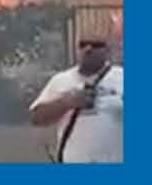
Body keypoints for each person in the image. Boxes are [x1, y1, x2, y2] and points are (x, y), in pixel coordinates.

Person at [29, 31, 123, 163]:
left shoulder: (122, 78)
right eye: (83, 44)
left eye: (96, 45)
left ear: (107, 50)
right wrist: (66, 103)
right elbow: (36, 117)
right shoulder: (61, 80)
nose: (88, 49)